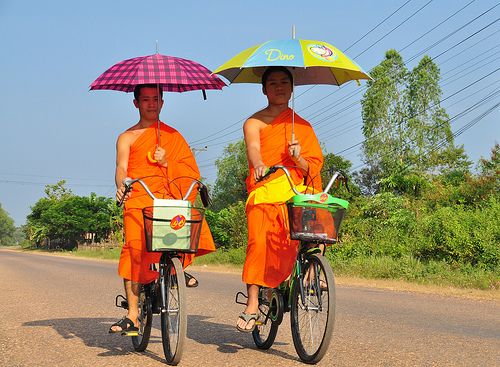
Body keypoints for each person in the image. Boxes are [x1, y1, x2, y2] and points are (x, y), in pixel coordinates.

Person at [110, 84, 216, 335]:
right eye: (145, 99)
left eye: (156, 99)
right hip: (139, 198)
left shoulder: (174, 137)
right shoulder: (127, 137)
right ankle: (133, 315)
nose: (151, 104)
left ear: (163, 102)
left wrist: (167, 162)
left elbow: (191, 173)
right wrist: (122, 186)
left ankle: (176, 269)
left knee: (184, 223)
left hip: (168, 198)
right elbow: (121, 169)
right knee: (134, 250)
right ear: (136, 103)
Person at [236, 67, 324, 332]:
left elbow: (314, 168)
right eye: (272, 83)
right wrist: (260, 164)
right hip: (267, 187)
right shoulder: (254, 122)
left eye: (285, 82)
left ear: (292, 87)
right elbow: (253, 148)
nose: (279, 87)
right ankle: (252, 303)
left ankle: (310, 273)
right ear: (264, 89)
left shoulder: (302, 126)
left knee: (320, 220)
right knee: (259, 242)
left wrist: (298, 158)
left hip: (297, 187)